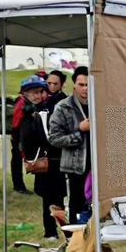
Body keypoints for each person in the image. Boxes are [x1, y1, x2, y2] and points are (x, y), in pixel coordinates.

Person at [18, 75, 68, 241]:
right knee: (48, 198)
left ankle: (63, 229)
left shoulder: (49, 109)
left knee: (58, 197)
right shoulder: (27, 114)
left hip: (55, 159)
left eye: (40, 92)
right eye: (33, 93)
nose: (37, 96)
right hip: (43, 160)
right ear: (25, 94)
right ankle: (50, 231)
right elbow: (25, 139)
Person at [47, 65, 91, 224]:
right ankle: (75, 234)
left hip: (98, 165)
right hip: (75, 166)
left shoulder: (100, 104)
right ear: (74, 85)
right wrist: (79, 131)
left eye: (88, 85)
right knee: (77, 204)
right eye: (81, 84)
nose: (85, 89)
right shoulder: (64, 107)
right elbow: (54, 138)